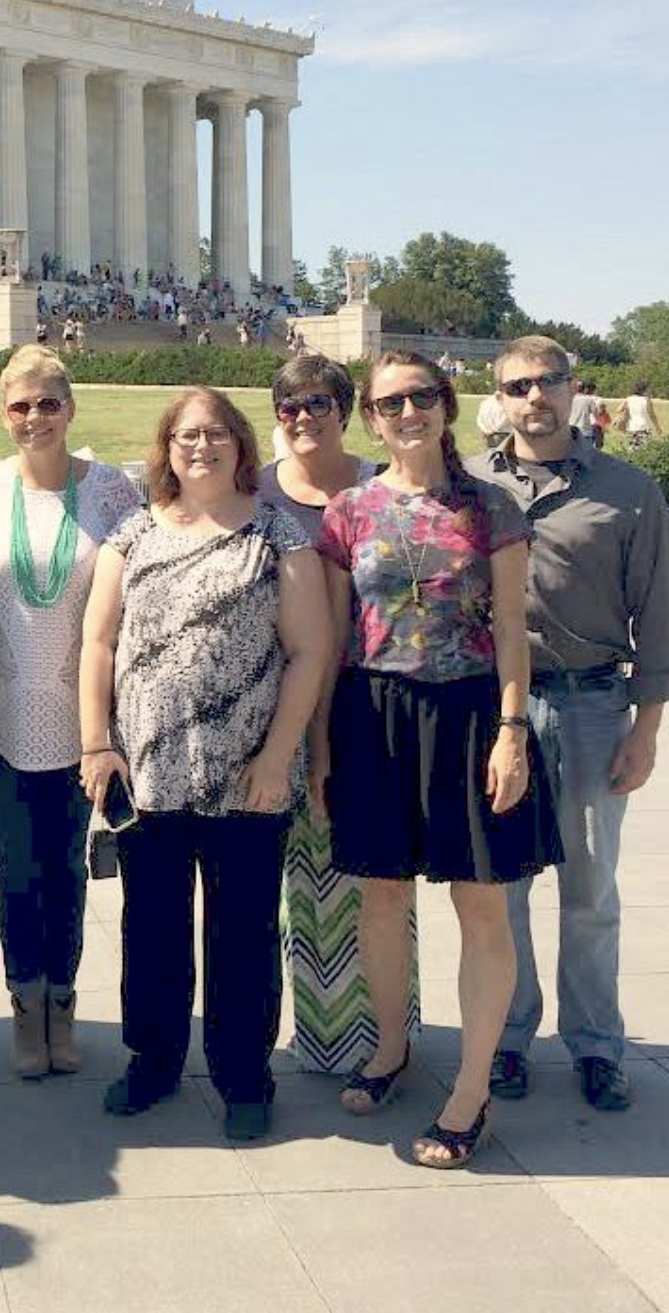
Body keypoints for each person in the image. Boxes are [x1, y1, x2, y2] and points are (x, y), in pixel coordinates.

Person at [316, 351, 562, 1169]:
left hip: (467, 715)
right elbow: (332, 637)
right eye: (389, 404)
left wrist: (512, 729)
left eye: (421, 397)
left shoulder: (490, 507)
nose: (407, 413)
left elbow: (516, 635)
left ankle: (472, 1090)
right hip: (376, 716)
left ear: (446, 405)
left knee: (480, 906)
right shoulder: (349, 511)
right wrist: (321, 744)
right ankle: (392, 1048)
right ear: (371, 419)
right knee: (381, 897)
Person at [79, 388, 330, 1141]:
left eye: (216, 434)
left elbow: (309, 651)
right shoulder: (132, 533)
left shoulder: (278, 535)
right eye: (186, 435)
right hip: (149, 774)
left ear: (240, 445)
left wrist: (277, 757)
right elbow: (97, 644)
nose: (201, 447)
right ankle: (153, 1062)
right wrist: (98, 743)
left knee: (243, 933)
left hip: (246, 775)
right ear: (166, 447)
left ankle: (243, 1076)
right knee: (150, 927)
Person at [470, 336, 669, 1113]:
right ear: (501, 397)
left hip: (591, 703)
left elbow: (657, 615)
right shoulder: (475, 485)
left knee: (590, 888)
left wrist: (647, 730)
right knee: (505, 886)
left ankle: (595, 1045)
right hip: (500, 710)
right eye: (518, 386)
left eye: (547, 382)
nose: (534, 398)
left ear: (573, 387)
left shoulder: (626, 491)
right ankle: (509, 1038)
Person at [0, 346, 141, 1077]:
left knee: (65, 865)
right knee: (14, 867)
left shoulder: (113, 492)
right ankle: (24, 1006)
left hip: (81, 721)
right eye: (20, 406)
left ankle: (62, 1003)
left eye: (48, 404)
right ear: (4, 414)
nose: (34, 418)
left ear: (71, 408)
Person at [256, 356, 423, 1075]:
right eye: (288, 405)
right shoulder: (256, 489)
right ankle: (324, 1036)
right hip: (279, 704)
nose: (302, 418)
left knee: (381, 877)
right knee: (306, 874)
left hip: (373, 701)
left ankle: (390, 1035)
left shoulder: (378, 485)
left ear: (347, 410)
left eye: (318, 403)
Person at [615, 383, 661, 449]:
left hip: (632, 427)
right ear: (643, 390)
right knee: (644, 448)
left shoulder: (629, 399)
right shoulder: (646, 400)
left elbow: (618, 409)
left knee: (632, 448)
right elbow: (652, 415)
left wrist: (626, 410)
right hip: (644, 427)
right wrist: (657, 427)